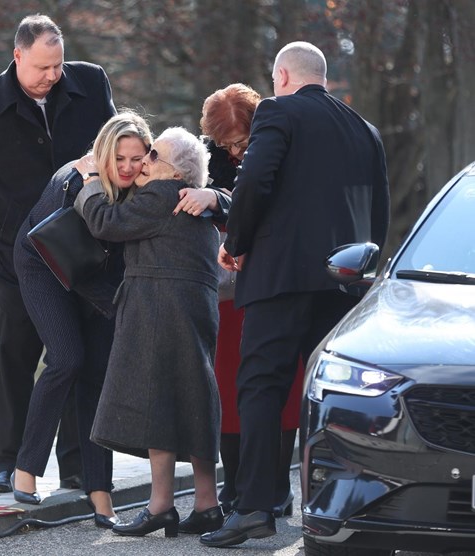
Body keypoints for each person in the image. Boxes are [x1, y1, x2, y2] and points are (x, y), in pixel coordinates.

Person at [203, 41, 390, 548]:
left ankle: (255, 508)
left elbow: (255, 182)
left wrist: (235, 245)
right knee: (331, 398)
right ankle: (335, 503)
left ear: (282, 76)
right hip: (343, 283)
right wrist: (360, 273)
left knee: (262, 388)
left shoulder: (276, 113)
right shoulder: (364, 130)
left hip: (279, 278)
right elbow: (380, 213)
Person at [0, 14, 116, 494]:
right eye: (41, 68)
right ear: (17, 57)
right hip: (18, 255)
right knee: (15, 359)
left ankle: (76, 465)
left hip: (85, 251)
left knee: (80, 360)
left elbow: (118, 149)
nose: (53, 75)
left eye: (57, 65)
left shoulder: (90, 83)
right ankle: (7, 463)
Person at [76, 127, 223, 538]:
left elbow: (106, 222)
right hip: (195, 304)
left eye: (153, 155)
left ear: (176, 173)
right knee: (193, 394)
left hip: (159, 303)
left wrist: (88, 184)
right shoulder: (198, 205)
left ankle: (160, 506)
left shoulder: (161, 195)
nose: (143, 161)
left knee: (157, 398)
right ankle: (208, 503)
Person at [11, 112, 151, 526]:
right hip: (46, 262)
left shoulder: (142, 186)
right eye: (119, 159)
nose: (126, 168)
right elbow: (68, 261)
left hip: (95, 274)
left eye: (136, 158)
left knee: (98, 375)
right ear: (103, 154)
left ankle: (100, 491)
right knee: (68, 358)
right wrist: (115, 306)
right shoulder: (76, 183)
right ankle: (26, 467)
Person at [175, 83, 303, 518]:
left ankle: (276, 486)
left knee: (281, 390)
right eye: (225, 142)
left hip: (272, 281)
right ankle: (237, 485)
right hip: (225, 285)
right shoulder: (208, 156)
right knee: (227, 389)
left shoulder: (280, 143)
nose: (232, 150)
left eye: (240, 141)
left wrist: (222, 203)